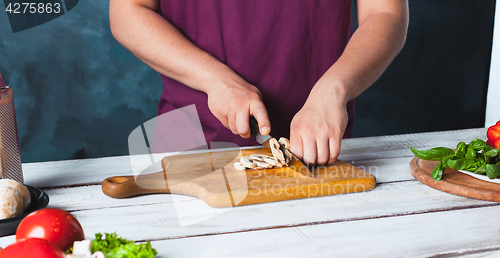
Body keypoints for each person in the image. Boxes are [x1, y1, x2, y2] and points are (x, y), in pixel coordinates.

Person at [110, 0, 408, 165]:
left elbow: (385, 12)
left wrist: (334, 90)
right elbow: (128, 11)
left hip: (316, 152)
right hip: (188, 148)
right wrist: (217, 81)